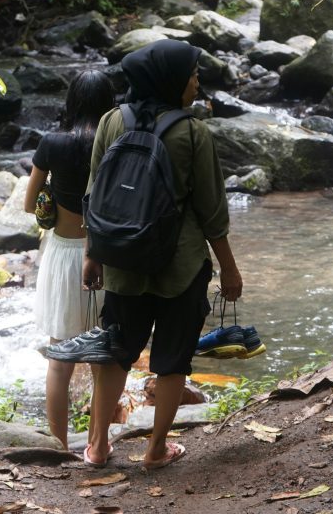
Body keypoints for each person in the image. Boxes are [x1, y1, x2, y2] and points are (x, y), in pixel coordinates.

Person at [80, 40, 244, 469]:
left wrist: (91, 255)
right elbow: (212, 211)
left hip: (121, 262)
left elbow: (93, 194)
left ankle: (97, 448)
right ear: (171, 79)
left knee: (117, 352)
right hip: (181, 265)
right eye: (192, 75)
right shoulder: (193, 132)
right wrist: (228, 267)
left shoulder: (112, 121)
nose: (196, 82)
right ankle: (155, 450)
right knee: (172, 360)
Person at [24, 70, 116, 449]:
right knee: (105, 358)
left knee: (60, 358)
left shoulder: (53, 143)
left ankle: (59, 446)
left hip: (63, 255)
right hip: (109, 256)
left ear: (72, 101)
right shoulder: (117, 142)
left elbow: (29, 203)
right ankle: (98, 444)